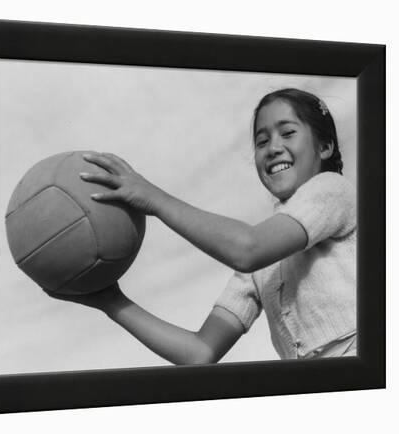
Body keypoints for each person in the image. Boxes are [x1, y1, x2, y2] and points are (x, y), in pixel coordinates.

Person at [49, 88, 357, 364]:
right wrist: (110, 301)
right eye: (262, 141)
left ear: (325, 147)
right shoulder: (262, 268)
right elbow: (200, 352)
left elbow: (248, 248)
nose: (272, 147)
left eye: (287, 133)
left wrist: (152, 197)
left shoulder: (332, 190)